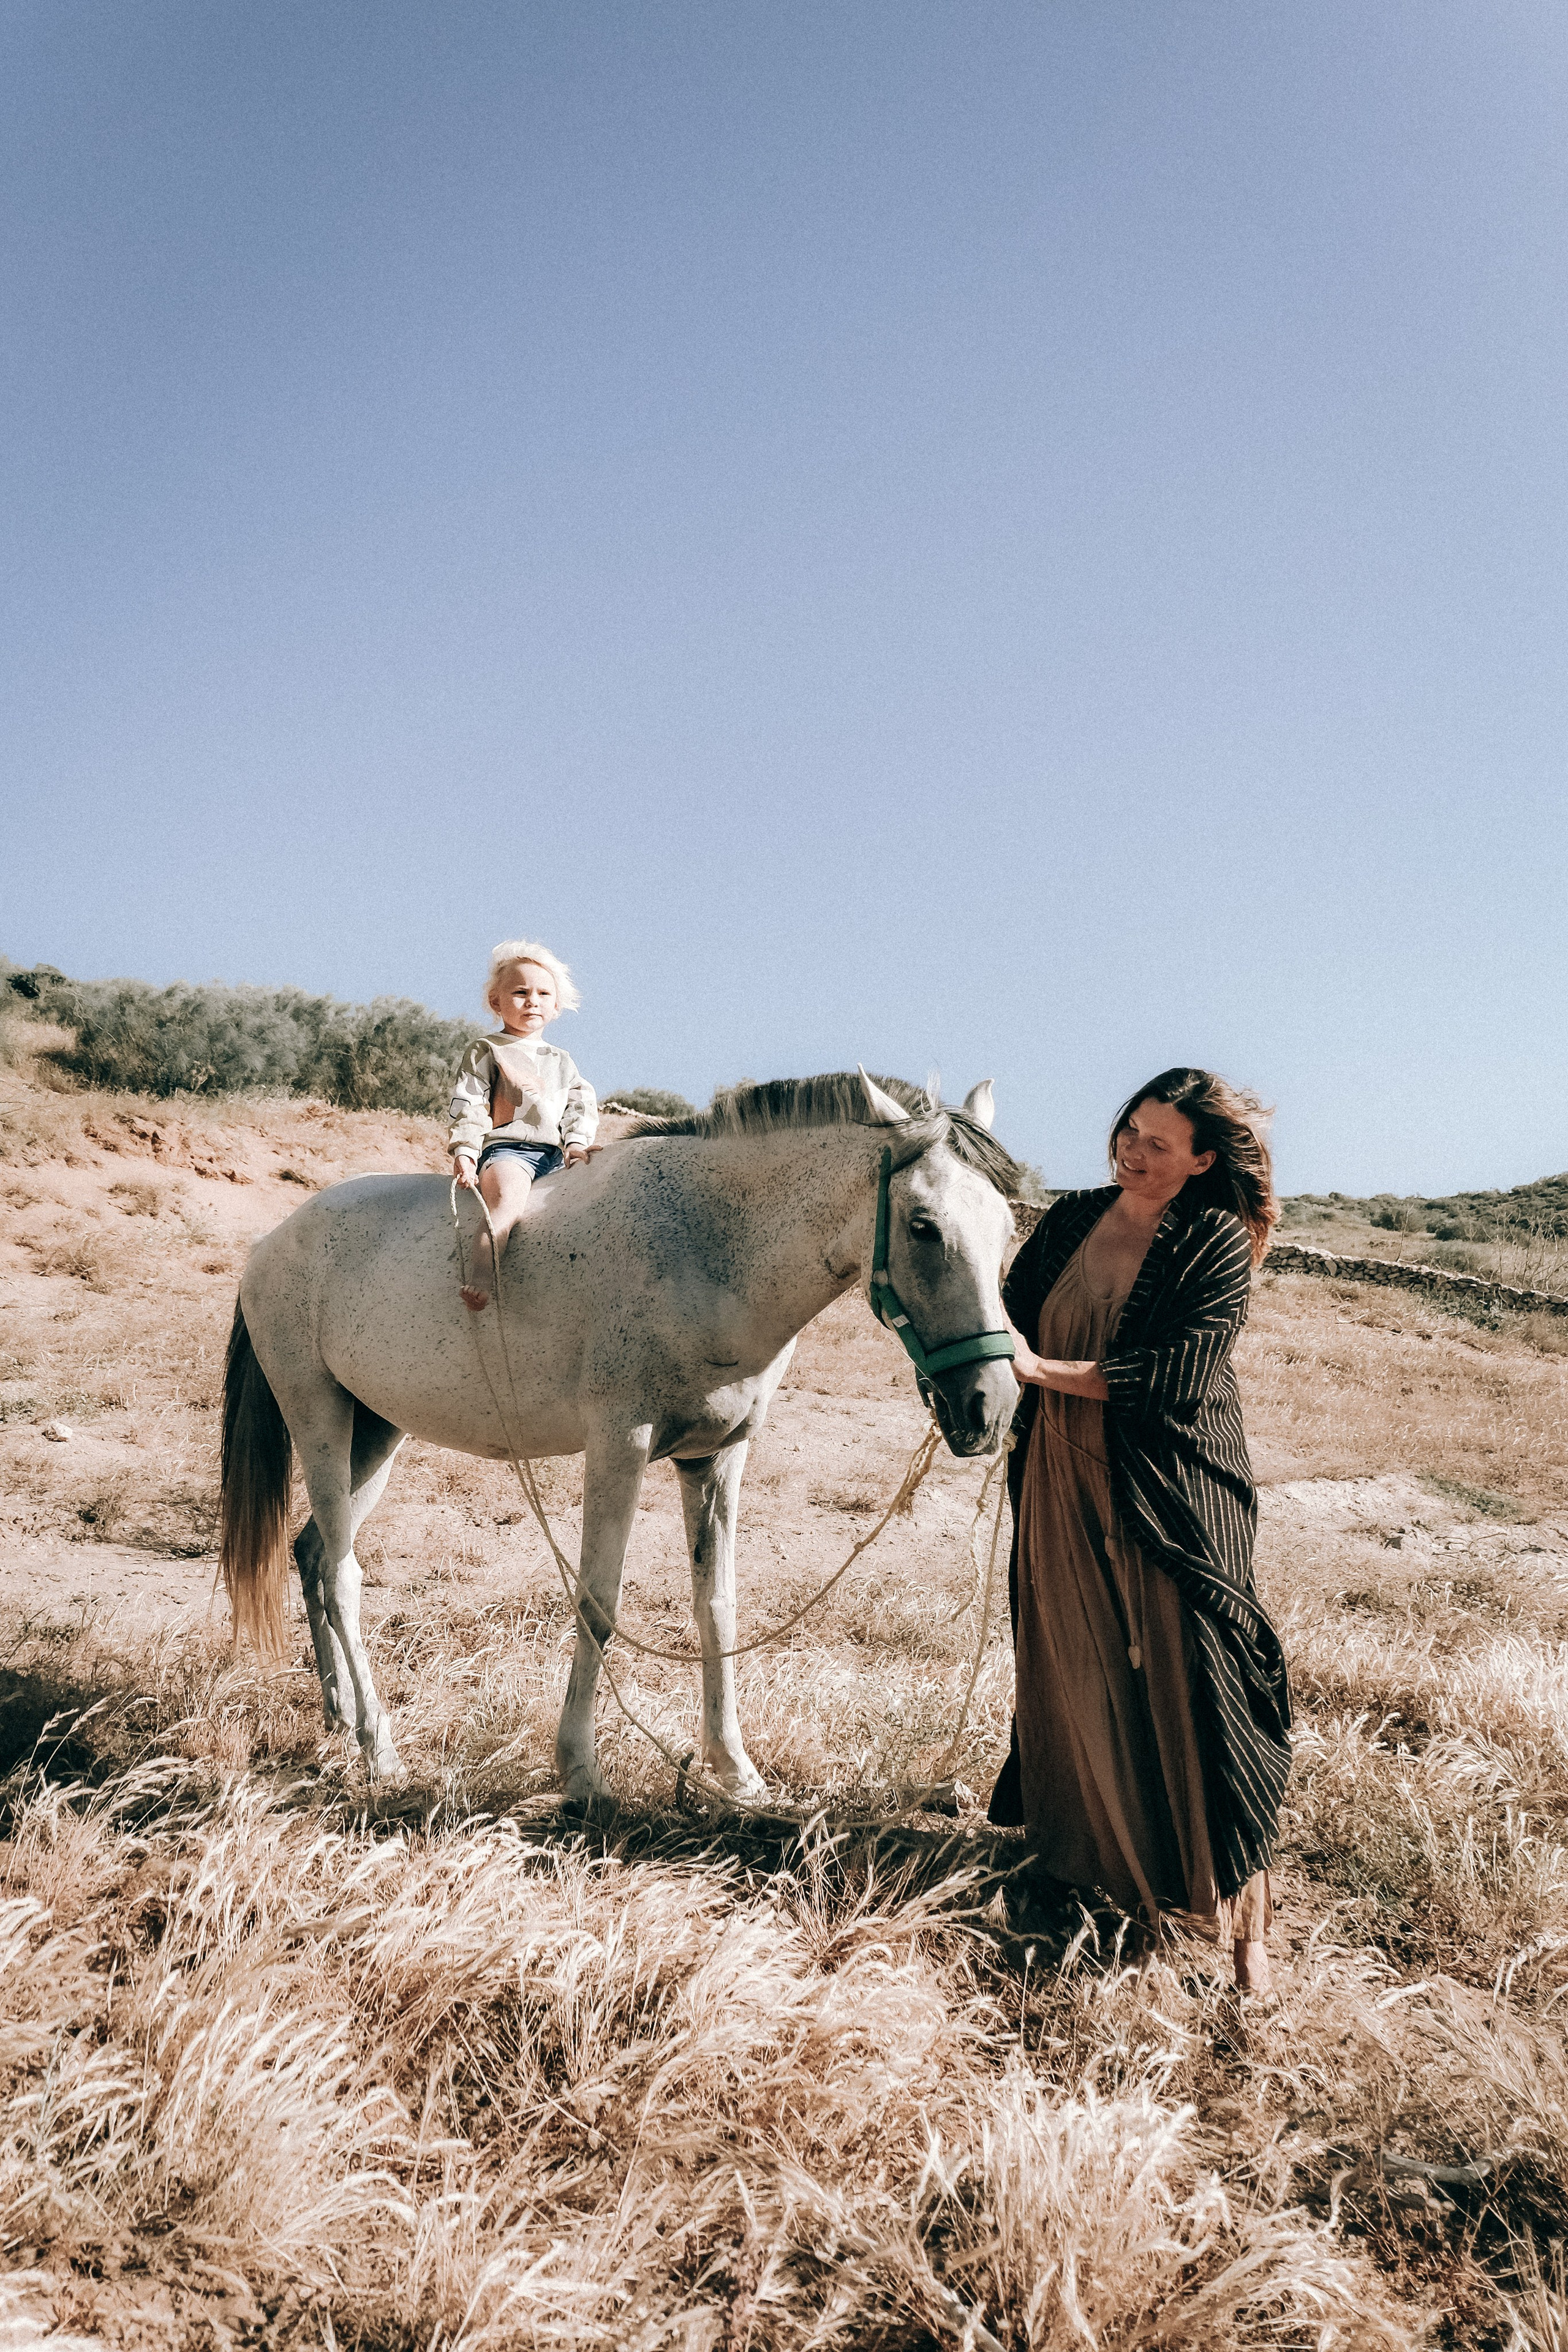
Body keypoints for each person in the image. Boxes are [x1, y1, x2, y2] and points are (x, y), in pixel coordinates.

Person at [990, 1069, 1290, 1993]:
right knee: (1071, 1661)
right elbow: (996, 1321)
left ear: (1203, 1160)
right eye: (1130, 1129)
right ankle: (1086, 1872)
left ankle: (1246, 1932)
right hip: (1058, 1474)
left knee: (1201, 1682)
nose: (1134, 1148)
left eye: (1159, 1142)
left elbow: (1176, 1373)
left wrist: (1037, 1368)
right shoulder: (1074, 1217)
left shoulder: (1213, 1239)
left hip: (1174, 1489)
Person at [449, 938, 600, 1310]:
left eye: (543, 993)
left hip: (554, 1155)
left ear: (556, 1006)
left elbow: (579, 1105)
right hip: (509, 1150)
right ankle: (481, 1279)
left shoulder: (562, 1060)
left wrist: (577, 1144)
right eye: (520, 992)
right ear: (496, 1002)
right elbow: (469, 1102)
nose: (532, 1000)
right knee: (508, 1203)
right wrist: (467, 1151)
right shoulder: (488, 1049)